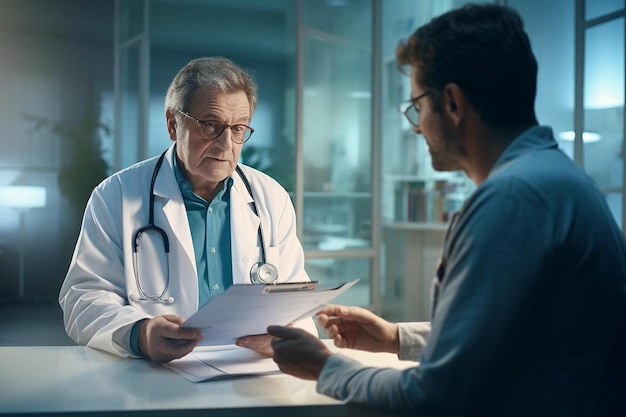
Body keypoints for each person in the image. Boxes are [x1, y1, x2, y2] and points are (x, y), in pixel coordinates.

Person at [268, 4, 626, 416]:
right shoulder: (555, 178)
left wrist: (326, 366)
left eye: (417, 106)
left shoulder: (513, 199)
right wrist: (395, 338)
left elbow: (436, 396)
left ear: (452, 103)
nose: (416, 125)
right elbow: (515, 337)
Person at [59, 56, 317, 363]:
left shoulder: (270, 198)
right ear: (173, 123)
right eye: (211, 125)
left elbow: (294, 301)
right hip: (156, 378)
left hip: (247, 371)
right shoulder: (115, 195)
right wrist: (139, 334)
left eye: (238, 129)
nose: (226, 145)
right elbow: (83, 299)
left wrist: (284, 336)